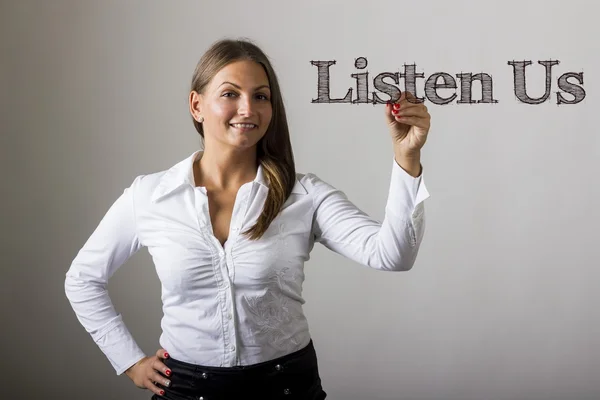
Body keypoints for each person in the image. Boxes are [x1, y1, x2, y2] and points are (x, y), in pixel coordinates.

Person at [64, 38, 431, 400]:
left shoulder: (304, 195)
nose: (248, 109)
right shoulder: (150, 195)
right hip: (187, 390)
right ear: (197, 105)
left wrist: (407, 158)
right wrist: (130, 361)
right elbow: (82, 279)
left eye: (261, 96)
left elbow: (393, 255)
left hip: (286, 387)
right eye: (230, 94)